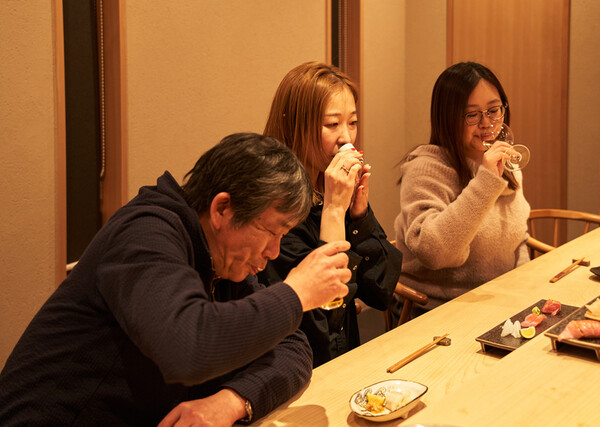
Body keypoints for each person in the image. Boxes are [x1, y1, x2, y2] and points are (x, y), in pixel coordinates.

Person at [0, 133, 352, 426]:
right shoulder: (146, 234)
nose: (274, 252)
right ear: (222, 209)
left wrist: (232, 400)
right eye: (272, 232)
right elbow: (188, 348)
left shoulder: (223, 260)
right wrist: (296, 293)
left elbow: (293, 347)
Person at [260, 61, 402, 367]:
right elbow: (325, 316)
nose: (346, 138)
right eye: (332, 124)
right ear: (292, 125)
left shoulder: (329, 188)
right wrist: (335, 212)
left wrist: (359, 216)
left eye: (352, 122)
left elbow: (381, 291)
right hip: (297, 368)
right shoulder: (274, 209)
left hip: (345, 361)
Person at [394, 62, 530, 313]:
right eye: (472, 115)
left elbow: (518, 240)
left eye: (493, 110)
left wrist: (522, 290)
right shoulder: (427, 168)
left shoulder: (506, 164)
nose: (486, 123)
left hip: (497, 304)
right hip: (434, 310)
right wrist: (486, 182)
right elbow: (434, 253)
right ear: (448, 118)